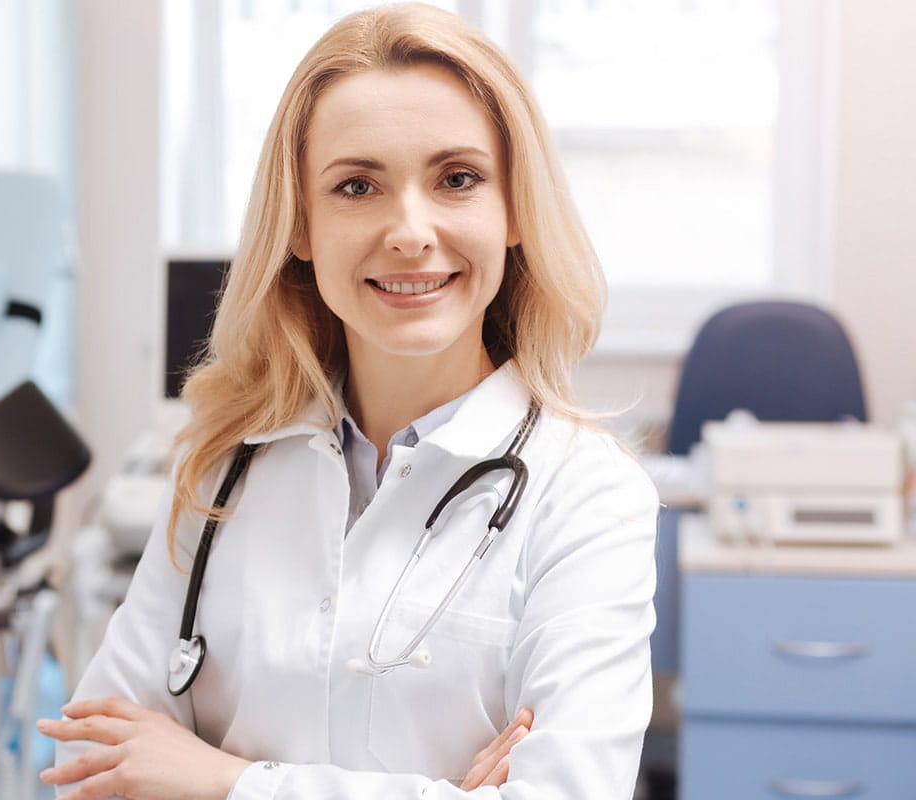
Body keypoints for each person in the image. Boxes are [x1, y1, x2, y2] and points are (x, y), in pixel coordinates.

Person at [39, 3, 658, 799]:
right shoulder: (221, 469)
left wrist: (222, 781)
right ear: (301, 223)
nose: (410, 230)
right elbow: (90, 773)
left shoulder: (587, 496)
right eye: (357, 185)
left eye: (457, 179)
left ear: (513, 211)